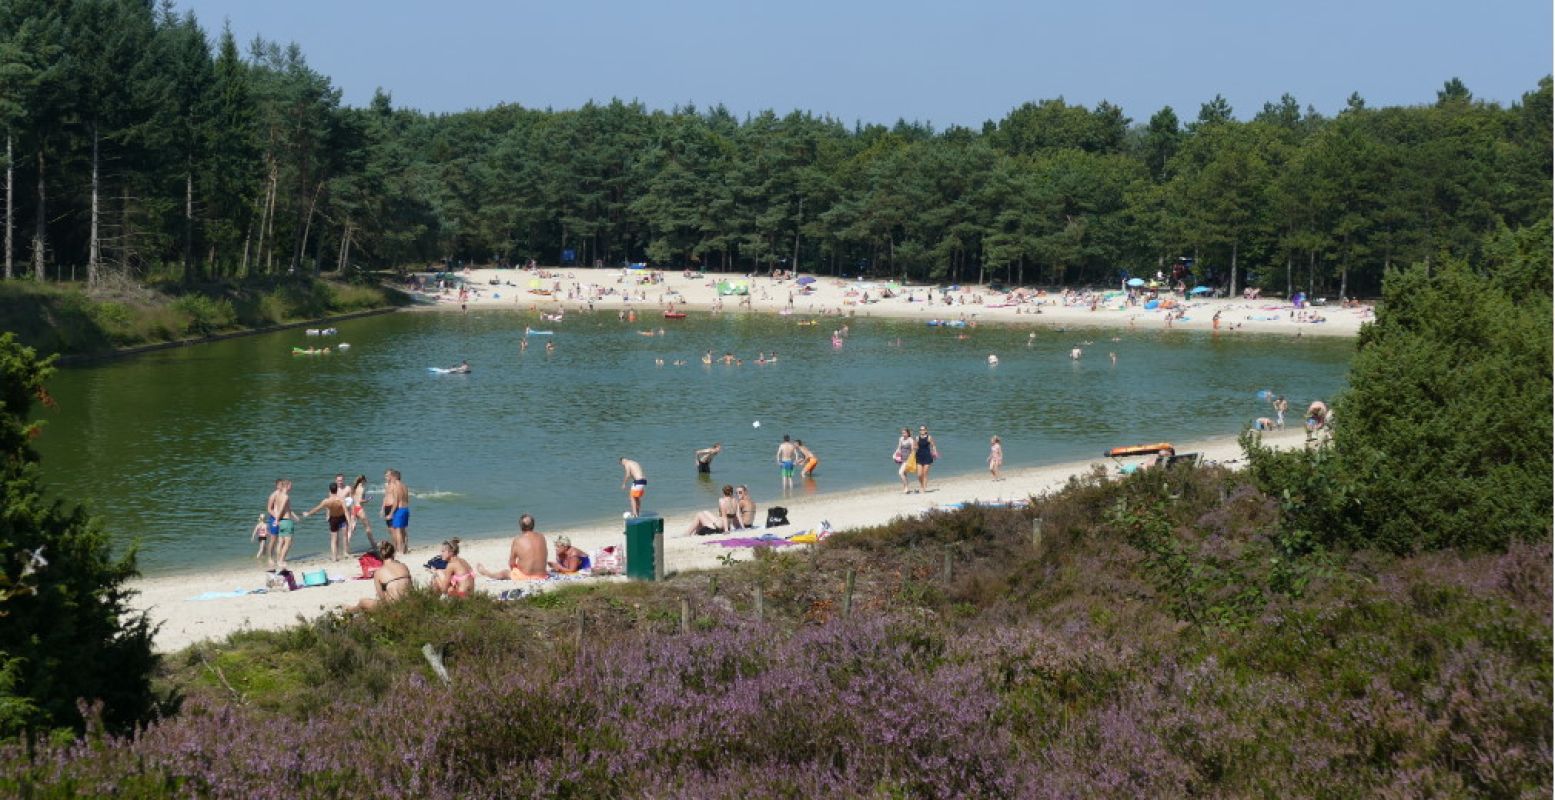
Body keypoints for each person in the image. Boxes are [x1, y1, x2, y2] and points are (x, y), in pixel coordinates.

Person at [479, 514, 549, 581]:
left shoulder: (518, 540)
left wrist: (515, 570)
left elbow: (511, 563)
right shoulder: (541, 536)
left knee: (504, 572)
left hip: (526, 577)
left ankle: (486, 573)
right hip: (542, 575)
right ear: (533, 525)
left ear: (521, 526)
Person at [347, 541, 412, 613]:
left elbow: (381, 598)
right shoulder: (403, 566)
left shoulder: (378, 573)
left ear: (380, 556)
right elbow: (411, 588)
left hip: (392, 606)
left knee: (363, 602)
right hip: (409, 602)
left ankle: (350, 610)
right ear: (393, 553)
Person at [302, 483, 351, 561]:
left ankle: (334, 557)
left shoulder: (326, 501)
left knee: (333, 539)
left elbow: (316, 509)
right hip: (342, 518)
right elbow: (346, 511)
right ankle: (345, 553)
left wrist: (308, 513)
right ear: (337, 490)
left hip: (333, 519)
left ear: (330, 491)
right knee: (344, 536)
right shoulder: (341, 499)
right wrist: (350, 522)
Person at [268, 479, 300, 570]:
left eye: (282, 484)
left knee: (281, 541)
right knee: (281, 541)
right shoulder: (276, 495)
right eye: (290, 485)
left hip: (281, 519)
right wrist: (276, 519)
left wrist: (294, 516)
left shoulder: (281, 495)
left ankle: (279, 559)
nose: (281, 486)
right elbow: (274, 509)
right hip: (279, 519)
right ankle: (276, 559)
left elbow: (287, 508)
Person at [382, 468, 411, 554]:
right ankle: (405, 548)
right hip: (406, 509)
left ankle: (399, 550)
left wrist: (391, 514)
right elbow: (408, 499)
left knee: (397, 531)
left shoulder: (397, 486)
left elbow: (396, 501)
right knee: (403, 530)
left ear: (394, 477)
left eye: (391, 477)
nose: (391, 479)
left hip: (400, 510)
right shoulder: (405, 486)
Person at [349, 475, 376, 550]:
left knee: (351, 528)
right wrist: (368, 499)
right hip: (360, 508)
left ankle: (346, 547)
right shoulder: (362, 488)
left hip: (354, 508)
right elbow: (360, 500)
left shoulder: (353, 487)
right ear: (363, 480)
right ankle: (373, 544)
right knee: (368, 527)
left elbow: (352, 499)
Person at [915, 425, 939, 493]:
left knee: (925, 473)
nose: (922, 431)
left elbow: (933, 445)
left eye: (923, 429)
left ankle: (924, 488)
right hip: (919, 456)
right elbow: (915, 446)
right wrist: (914, 448)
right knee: (919, 474)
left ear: (926, 430)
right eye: (920, 429)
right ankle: (921, 486)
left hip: (927, 456)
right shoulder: (917, 438)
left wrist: (935, 452)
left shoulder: (929, 437)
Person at [894, 427, 916, 492]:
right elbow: (899, 447)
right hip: (902, 458)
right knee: (904, 473)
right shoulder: (901, 439)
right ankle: (906, 488)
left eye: (904, 433)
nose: (903, 434)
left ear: (908, 433)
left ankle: (906, 487)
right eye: (902, 433)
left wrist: (912, 459)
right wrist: (895, 454)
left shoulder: (910, 440)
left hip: (908, 459)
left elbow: (913, 450)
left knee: (900, 472)